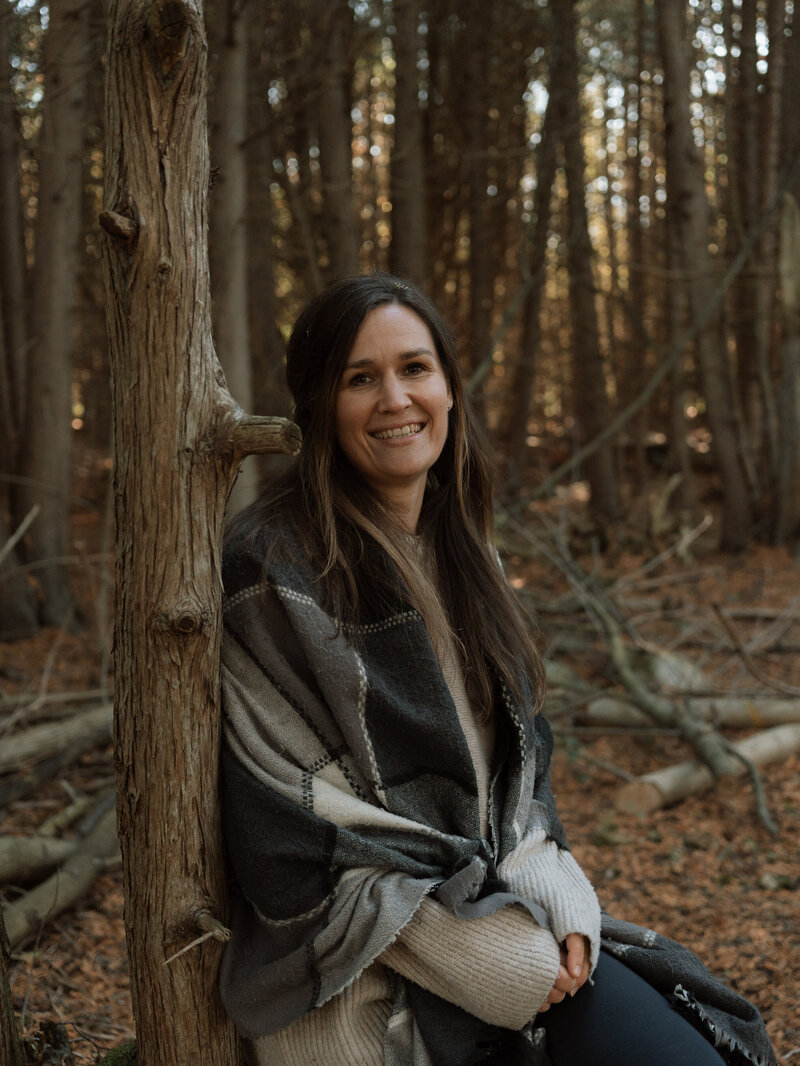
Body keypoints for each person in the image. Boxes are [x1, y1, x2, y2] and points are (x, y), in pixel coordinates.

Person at [218, 273, 777, 1066]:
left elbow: (519, 766)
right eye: (360, 378)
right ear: (319, 405)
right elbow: (293, 831)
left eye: (415, 368)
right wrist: (482, 954)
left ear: (448, 385)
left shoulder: (461, 549)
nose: (395, 399)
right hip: (364, 974)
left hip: (512, 918)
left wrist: (556, 888)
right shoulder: (271, 570)